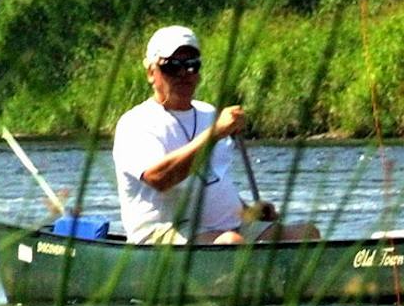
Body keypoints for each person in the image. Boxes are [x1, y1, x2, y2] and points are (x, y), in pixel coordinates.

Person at [112, 25, 319, 244]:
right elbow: (160, 179)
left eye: (192, 66)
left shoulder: (208, 114)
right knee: (231, 242)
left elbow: (212, 179)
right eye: (173, 67)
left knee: (307, 234)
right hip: (163, 232)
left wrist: (248, 211)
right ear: (151, 72)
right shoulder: (135, 123)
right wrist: (213, 135)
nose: (184, 74)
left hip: (230, 227)